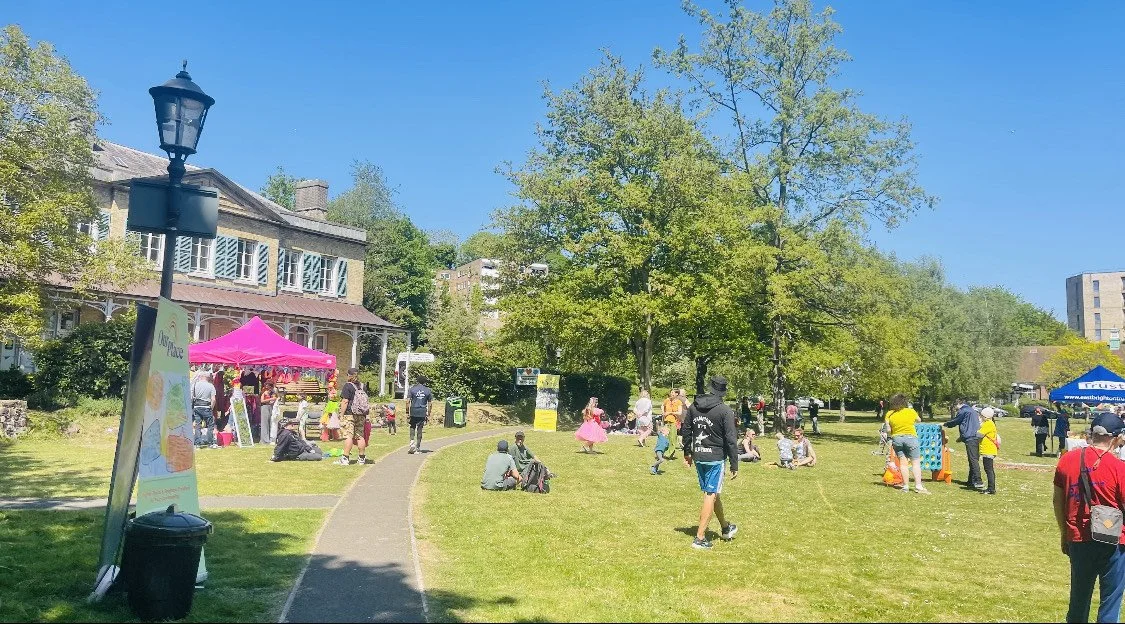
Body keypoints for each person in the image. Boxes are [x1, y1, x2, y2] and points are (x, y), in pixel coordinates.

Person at [1055, 412, 1125, 623]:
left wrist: (1064, 533)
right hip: (1114, 539)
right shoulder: (1119, 467)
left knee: (1079, 598)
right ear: (1116, 438)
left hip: (1078, 536)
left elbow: (1057, 501)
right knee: (1110, 602)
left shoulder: (1067, 460)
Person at [681, 375, 739, 550]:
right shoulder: (725, 411)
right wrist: (734, 464)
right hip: (715, 458)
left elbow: (686, 430)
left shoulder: (694, 406)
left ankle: (725, 527)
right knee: (710, 494)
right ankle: (699, 538)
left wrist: (687, 453)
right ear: (723, 392)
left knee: (713, 493)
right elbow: (731, 439)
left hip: (699, 456)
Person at [887, 393, 930, 494]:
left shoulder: (890, 414)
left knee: (903, 463)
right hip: (910, 438)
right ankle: (918, 486)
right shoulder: (910, 411)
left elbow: (888, 429)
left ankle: (905, 486)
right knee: (915, 462)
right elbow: (919, 420)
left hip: (897, 439)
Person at [943, 398, 984, 490]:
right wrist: (961, 437)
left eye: (954, 406)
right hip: (976, 436)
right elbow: (969, 425)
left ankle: (978, 480)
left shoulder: (963, 411)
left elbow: (956, 421)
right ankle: (971, 481)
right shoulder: (972, 411)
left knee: (973, 460)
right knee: (973, 458)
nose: (955, 408)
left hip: (970, 438)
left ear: (958, 404)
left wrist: (945, 424)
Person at [336, 368, 368, 466]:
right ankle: (361, 459)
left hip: (349, 414)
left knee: (348, 436)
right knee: (360, 436)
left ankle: (345, 458)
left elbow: (345, 401)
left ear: (349, 375)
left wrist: (341, 414)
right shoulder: (363, 386)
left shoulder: (348, 386)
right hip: (361, 414)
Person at [406, 375, 434, 454]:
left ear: (417, 381)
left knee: (412, 426)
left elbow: (407, 402)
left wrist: (407, 412)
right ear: (424, 382)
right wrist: (428, 413)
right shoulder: (428, 390)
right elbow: (430, 403)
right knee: (420, 429)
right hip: (422, 411)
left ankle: (412, 442)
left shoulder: (412, 389)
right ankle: (417, 447)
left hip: (413, 410)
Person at [191, 369, 217, 449]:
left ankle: (197, 444)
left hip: (196, 407)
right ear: (207, 377)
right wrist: (211, 407)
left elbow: (191, 397)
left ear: (200, 377)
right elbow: (213, 399)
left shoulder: (194, 385)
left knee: (198, 425)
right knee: (210, 426)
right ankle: (210, 443)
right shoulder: (211, 386)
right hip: (206, 407)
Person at [978, 407, 1000, 495]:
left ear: (985, 416)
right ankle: (991, 488)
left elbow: (979, 435)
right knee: (989, 469)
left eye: (981, 415)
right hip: (989, 450)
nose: (980, 417)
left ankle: (991, 488)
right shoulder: (990, 423)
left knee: (989, 469)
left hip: (988, 450)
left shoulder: (988, 424)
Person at [662, 390, 683, 459]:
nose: (671, 394)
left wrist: (671, 413)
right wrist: (663, 412)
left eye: (673, 393)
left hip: (674, 422)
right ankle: (665, 452)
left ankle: (670, 454)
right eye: (671, 392)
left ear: (676, 394)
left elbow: (680, 412)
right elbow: (662, 406)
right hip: (666, 421)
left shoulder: (679, 402)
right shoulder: (667, 400)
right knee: (666, 438)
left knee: (673, 438)